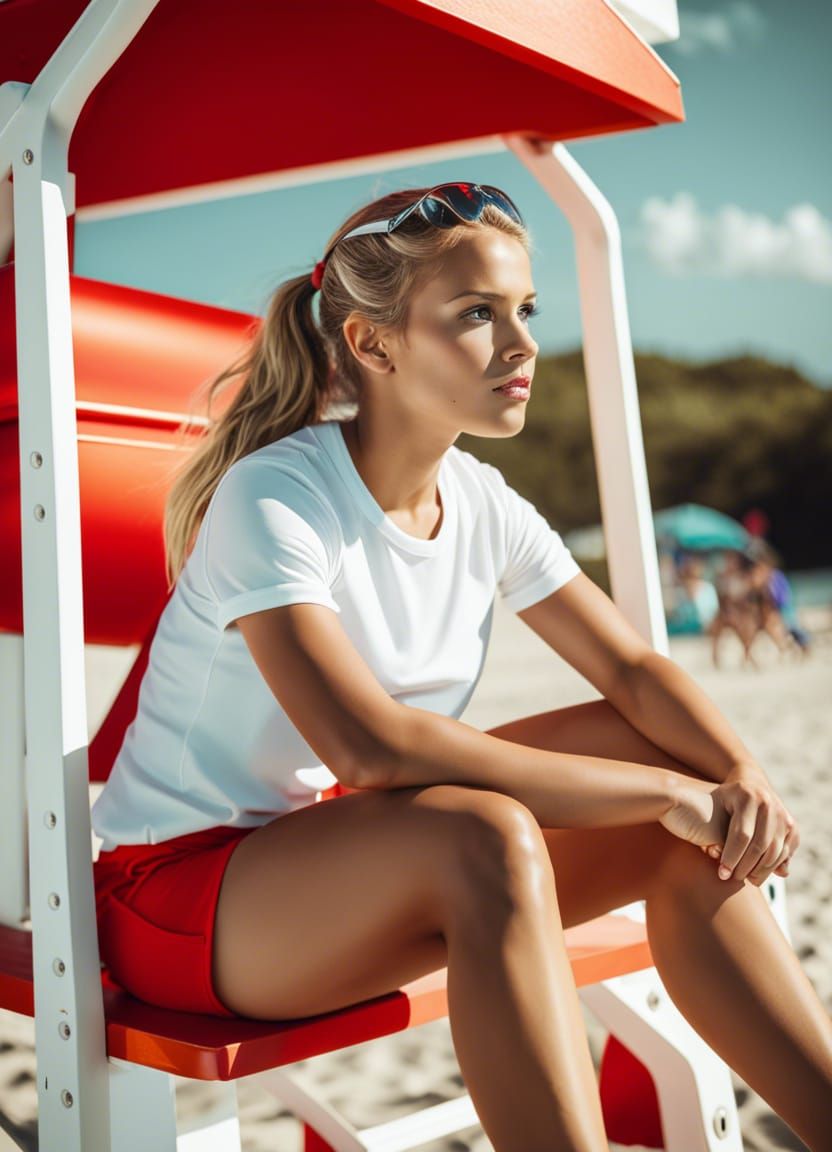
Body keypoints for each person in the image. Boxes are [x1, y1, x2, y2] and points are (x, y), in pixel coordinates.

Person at [90, 182, 832, 1151]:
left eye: (523, 311)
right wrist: (658, 794)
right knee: (489, 830)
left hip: (358, 858)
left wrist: (736, 776)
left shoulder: (480, 498)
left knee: (681, 780)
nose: (520, 345)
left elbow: (636, 675)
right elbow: (370, 749)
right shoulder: (274, 495)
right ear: (371, 343)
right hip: (181, 899)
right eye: (476, 315)